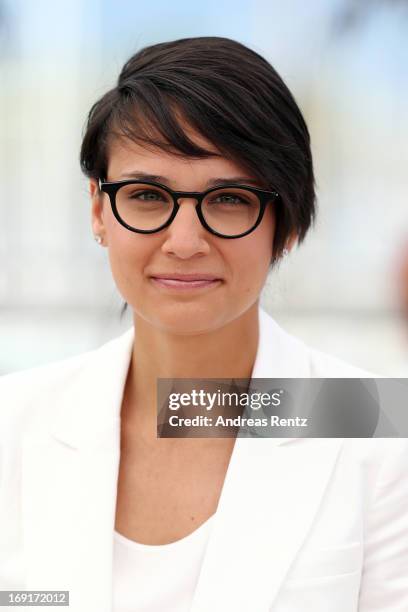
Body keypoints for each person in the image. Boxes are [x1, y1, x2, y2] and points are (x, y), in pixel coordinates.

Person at [0, 36, 407, 612]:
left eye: (230, 200)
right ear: (98, 210)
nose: (185, 243)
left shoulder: (376, 429)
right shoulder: (12, 423)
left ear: (285, 225)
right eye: (146, 195)